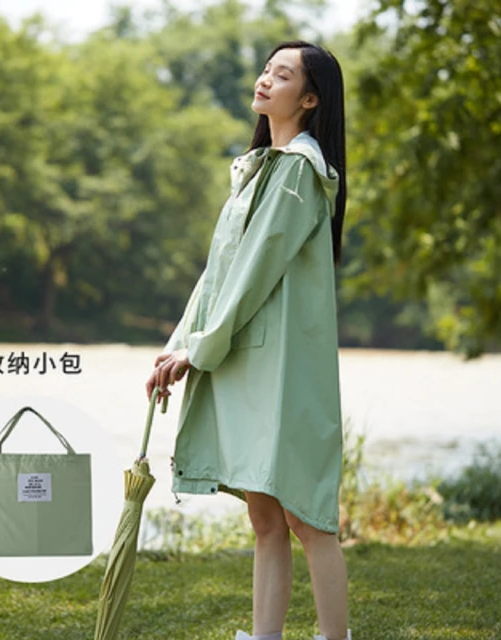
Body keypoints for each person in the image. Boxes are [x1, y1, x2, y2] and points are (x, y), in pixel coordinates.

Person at [146, 40, 350, 640]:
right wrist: (178, 343)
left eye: (282, 75)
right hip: (244, 360)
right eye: (266, 69)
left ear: (309, 99)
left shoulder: (298, 173)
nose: (265, 80)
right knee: (265, 518)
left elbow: (256, 272)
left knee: (306, 515)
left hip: (283, 368)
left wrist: (200, 350)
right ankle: (265, 638)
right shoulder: (258, 169)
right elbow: (218, 273)